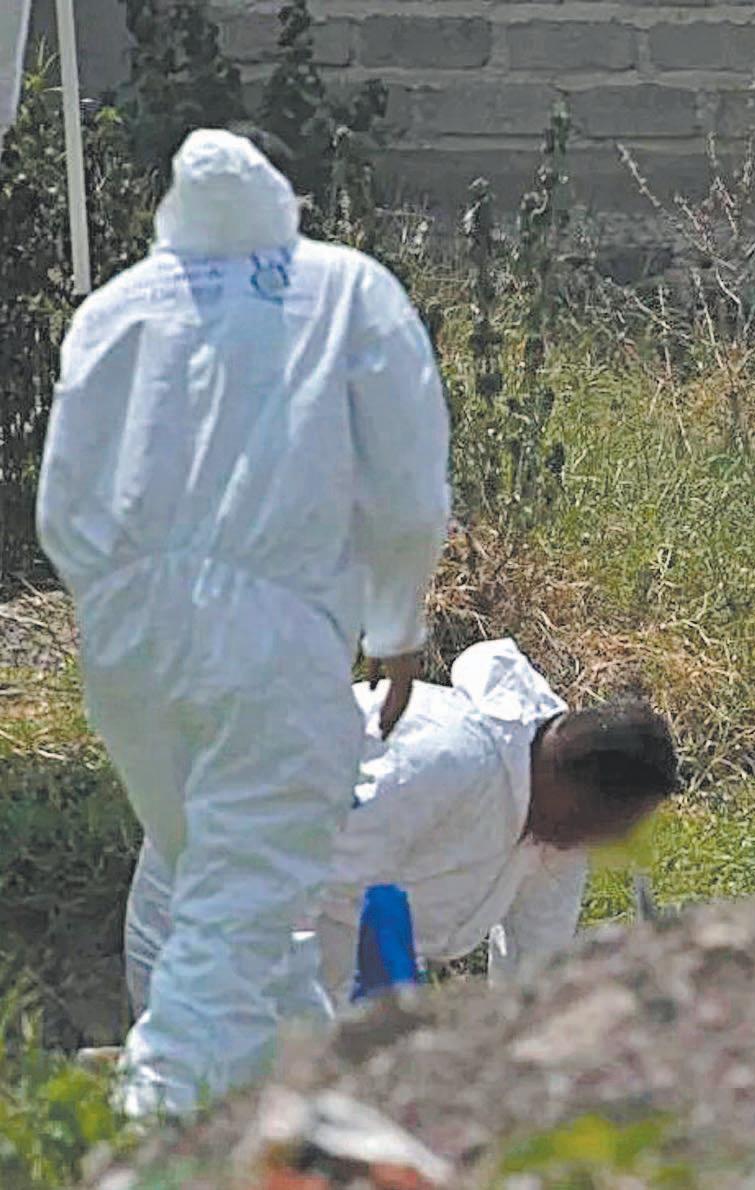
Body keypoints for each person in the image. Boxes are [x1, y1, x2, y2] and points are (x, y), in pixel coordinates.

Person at [36, 129, 450, 1117]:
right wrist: (396, 622)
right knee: (233, 917)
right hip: (271, 639)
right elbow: (406, 492)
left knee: (243, 900)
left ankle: (307, 1101)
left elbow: (61, 503)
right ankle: (148, 1132)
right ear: (285, 198)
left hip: (125, 642)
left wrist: (125, 601)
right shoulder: (345, 288)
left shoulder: (114, 307)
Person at [123, 639, 682, 1014]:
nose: (611, 844)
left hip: (322, 960)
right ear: (577, 790)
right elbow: (295, 878)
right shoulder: (442, 762)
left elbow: (531, 970)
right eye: (612, 827)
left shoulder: (556, 834)